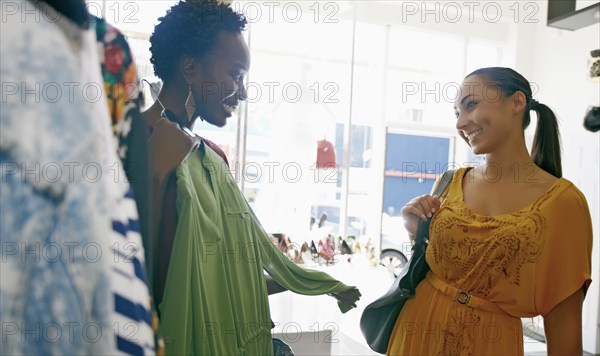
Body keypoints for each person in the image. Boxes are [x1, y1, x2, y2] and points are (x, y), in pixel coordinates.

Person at [141, 1, 361, 354]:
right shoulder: (142, 144)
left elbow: (228, 275)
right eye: (236, 74)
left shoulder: (211, 157)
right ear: (190, 67)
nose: (242, 92)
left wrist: (311, 282)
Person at [388, 67, 593, 355]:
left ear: (517, 102)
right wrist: (415, 228)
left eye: (470, 105)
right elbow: (435, 264)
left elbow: (563, 322)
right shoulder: (449, 182)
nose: (461, 122)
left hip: (490, 342)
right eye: (456, 113)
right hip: (416, 332)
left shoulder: (563, 202)